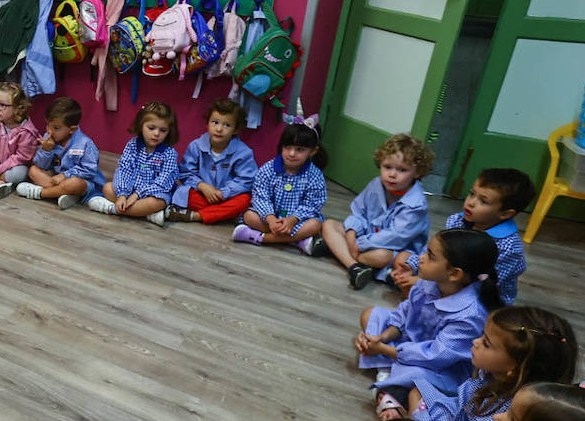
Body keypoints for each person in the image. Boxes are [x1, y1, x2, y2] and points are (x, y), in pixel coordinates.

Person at [357, 229, 499, 419]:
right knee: (370, 315)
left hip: (440, 367)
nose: (421, 259)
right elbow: (404, 314)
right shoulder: (429, 282)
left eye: (430, 256)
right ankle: (391, 374)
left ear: (454, 274)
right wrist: (382, 338)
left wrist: (382, 349)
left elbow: (435, 356)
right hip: (411, 346)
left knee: (419, 374)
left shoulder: (470, 315)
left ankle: (388, 376)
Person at [406, 306, 577, 421]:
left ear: (515, 369)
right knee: (414, 387)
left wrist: (415, 416)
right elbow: (460, 406)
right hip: (456, 419)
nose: (475, 342)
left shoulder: (498, 416)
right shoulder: (493, 375)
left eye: (486, 343)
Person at [391, 168, 533, 304]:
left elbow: (482, 284)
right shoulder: (457, 221)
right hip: (449, 275)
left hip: (478, 295)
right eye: (472, 193)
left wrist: (424, 282)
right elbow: (437, 252)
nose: (470, 202)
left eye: (483, 201)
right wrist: (412, 265)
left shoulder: (508, 248)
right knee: (403, 259)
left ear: (505, 214)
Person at [317, 134, 432, 291]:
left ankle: (344, 254)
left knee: (382, 256)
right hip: (363, 239)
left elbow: (396, 236)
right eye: (387, 167)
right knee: (329, 225)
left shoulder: (416, 205)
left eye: (402, 170)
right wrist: (351, 236)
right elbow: (358, 212)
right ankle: (355, 266)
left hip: (392, 248)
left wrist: (358, 244)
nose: (392, 174)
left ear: (417, 173)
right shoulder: (376, 185)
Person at [233, 121, 327, 251]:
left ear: (312, 151)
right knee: (249, 216)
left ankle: (259, 237)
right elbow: (261, 196)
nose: (292, 153)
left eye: (300, 149)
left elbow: (312, 203)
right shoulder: (268, 169)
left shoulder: (315, 175)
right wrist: (271, 219)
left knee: (315, 225)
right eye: (288, 147)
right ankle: (295, 241)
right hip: (270, 219)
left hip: (297, 221)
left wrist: (293, 220)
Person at [168, 98, 257, 225]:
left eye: (227, 125)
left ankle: (196, 216)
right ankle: (222, 215)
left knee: (245, 200)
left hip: (227, 197)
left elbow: (247, 180)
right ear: (207, 124)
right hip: (202, 195)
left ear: (236, 130)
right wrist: (202, 186)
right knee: (182, 192)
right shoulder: (196, 146)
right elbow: (185, 173)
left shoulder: (244, 152)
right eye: (215, 122)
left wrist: (223, 193)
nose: (219, 129)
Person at [90, 101, 179, 226]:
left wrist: (138, 195)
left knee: (158, 202)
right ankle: (146, 214)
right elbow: (124, 170)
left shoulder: (169, 153)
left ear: (169, 131)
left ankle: (112, 209)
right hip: (129, 191)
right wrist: (122, 194)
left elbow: (163, 182)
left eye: (163, 130)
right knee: (108, 188)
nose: (156, 134)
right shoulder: (132, 145)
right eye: (151, 128)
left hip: (152, 193)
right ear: (141, 125)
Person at [16, 97, 105, 209]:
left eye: (56, 128)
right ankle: (62, 193)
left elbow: (89, 171)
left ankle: (41, 193)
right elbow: (41, 165)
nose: (49, 131)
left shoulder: (85, 144)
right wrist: (46, 150)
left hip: (81, 182)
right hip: (56, 179)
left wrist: (65, 175)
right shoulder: (49, 138)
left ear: (72, 129)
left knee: (74, 184)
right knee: (33, 170)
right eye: (48, 125)